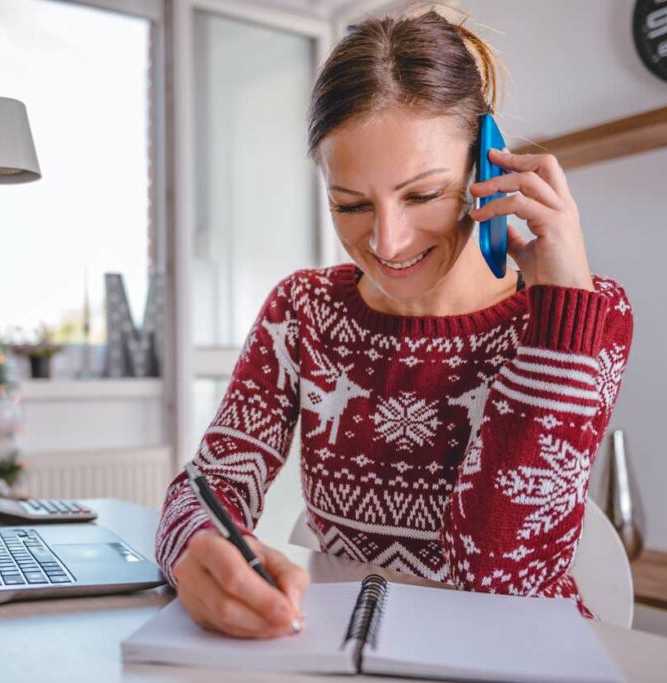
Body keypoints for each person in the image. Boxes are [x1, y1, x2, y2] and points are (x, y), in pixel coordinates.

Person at [155, 8, 633, 639]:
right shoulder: (303, 310)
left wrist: (559, 320)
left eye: (422, 195)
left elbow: (497, 579)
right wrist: (196, 547)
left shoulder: (581, 322)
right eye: (350, 204)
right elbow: (210, 484)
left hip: (519, 655)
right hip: (345, 654)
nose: (386, 241)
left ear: (486, 169)